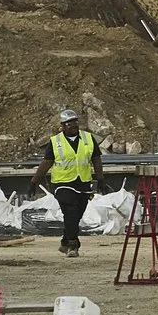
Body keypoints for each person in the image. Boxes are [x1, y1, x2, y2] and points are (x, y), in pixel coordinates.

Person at [40, 109, 101, 259]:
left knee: (77, 214)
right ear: (62, 126)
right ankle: (73, 245)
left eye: (74, 122)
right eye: (68, 123)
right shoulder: (55, 142)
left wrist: (101, 178)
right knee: (71, 211)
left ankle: (64, 241)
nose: (72, 125)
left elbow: (96, 159)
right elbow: (47, 162)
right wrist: (34, 181)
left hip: (83, 182)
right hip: (62, 182)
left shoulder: (88, 138)